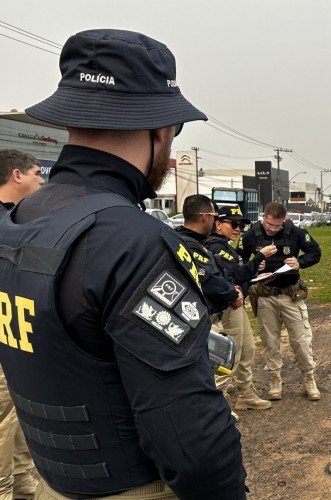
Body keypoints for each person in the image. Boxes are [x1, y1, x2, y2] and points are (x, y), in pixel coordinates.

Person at [0, 29, 246, 498]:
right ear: (160, 130)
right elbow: (188, 433)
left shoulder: (21, 218)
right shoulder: (132, 241)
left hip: (57, 480)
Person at [239, 203, 322, 401]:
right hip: (265, 296)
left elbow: (315, 252)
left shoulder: (296, 232)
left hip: (291, 296)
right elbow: (238, 262)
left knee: (301, 341)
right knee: (270, 342)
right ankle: (275, 379)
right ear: (263, 217)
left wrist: (299, 262)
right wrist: (253, 265)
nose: (273, 229)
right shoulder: (250, 235)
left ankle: (309, 377)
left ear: (283, 220)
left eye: (277, 226)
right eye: (269, 224)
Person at [0, 149, 43, 499]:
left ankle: (24, 486)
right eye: (36, 173)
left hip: (20, 332)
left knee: (19, 419)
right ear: (16, 175)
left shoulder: (19, 220)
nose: (41, 180)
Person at [204, 205, 273, 411]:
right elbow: (233, 278)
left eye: (241, 225)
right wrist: (259, 257)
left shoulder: (225, 246)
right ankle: (219, 404)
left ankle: (245, 394)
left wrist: (253, 270)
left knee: (248, 349)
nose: (238, 229)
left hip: (237, 305)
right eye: (233, 224)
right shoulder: (216, 247)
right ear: (217, 223)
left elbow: (239, 274)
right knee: (230, 354)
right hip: (227, 307)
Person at [175, 195, 243, 317]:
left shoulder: (177, 237)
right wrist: (234, 294)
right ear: (205, 217)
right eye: (214, 216)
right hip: (196, 313)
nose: (214, 221)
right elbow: (210, 280)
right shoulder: (190, 244)